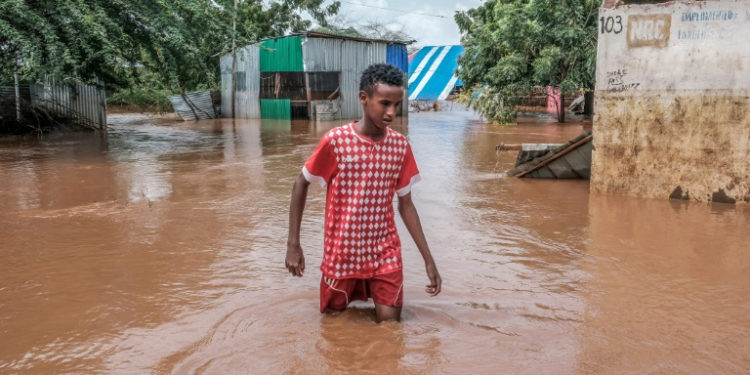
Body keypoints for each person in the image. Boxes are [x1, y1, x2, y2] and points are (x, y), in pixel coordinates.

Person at [285, 63, 441, 323]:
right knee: (335, 327)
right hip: (342, 252)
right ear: (363, 98)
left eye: (397, 104)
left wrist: (428, 259)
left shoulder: (400, 147)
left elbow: (406, 206)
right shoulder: (336, 141)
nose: (391, 112)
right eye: (384, 103)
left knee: (390, 328)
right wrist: (293, 244)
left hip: (385, 252)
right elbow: (301, 183)